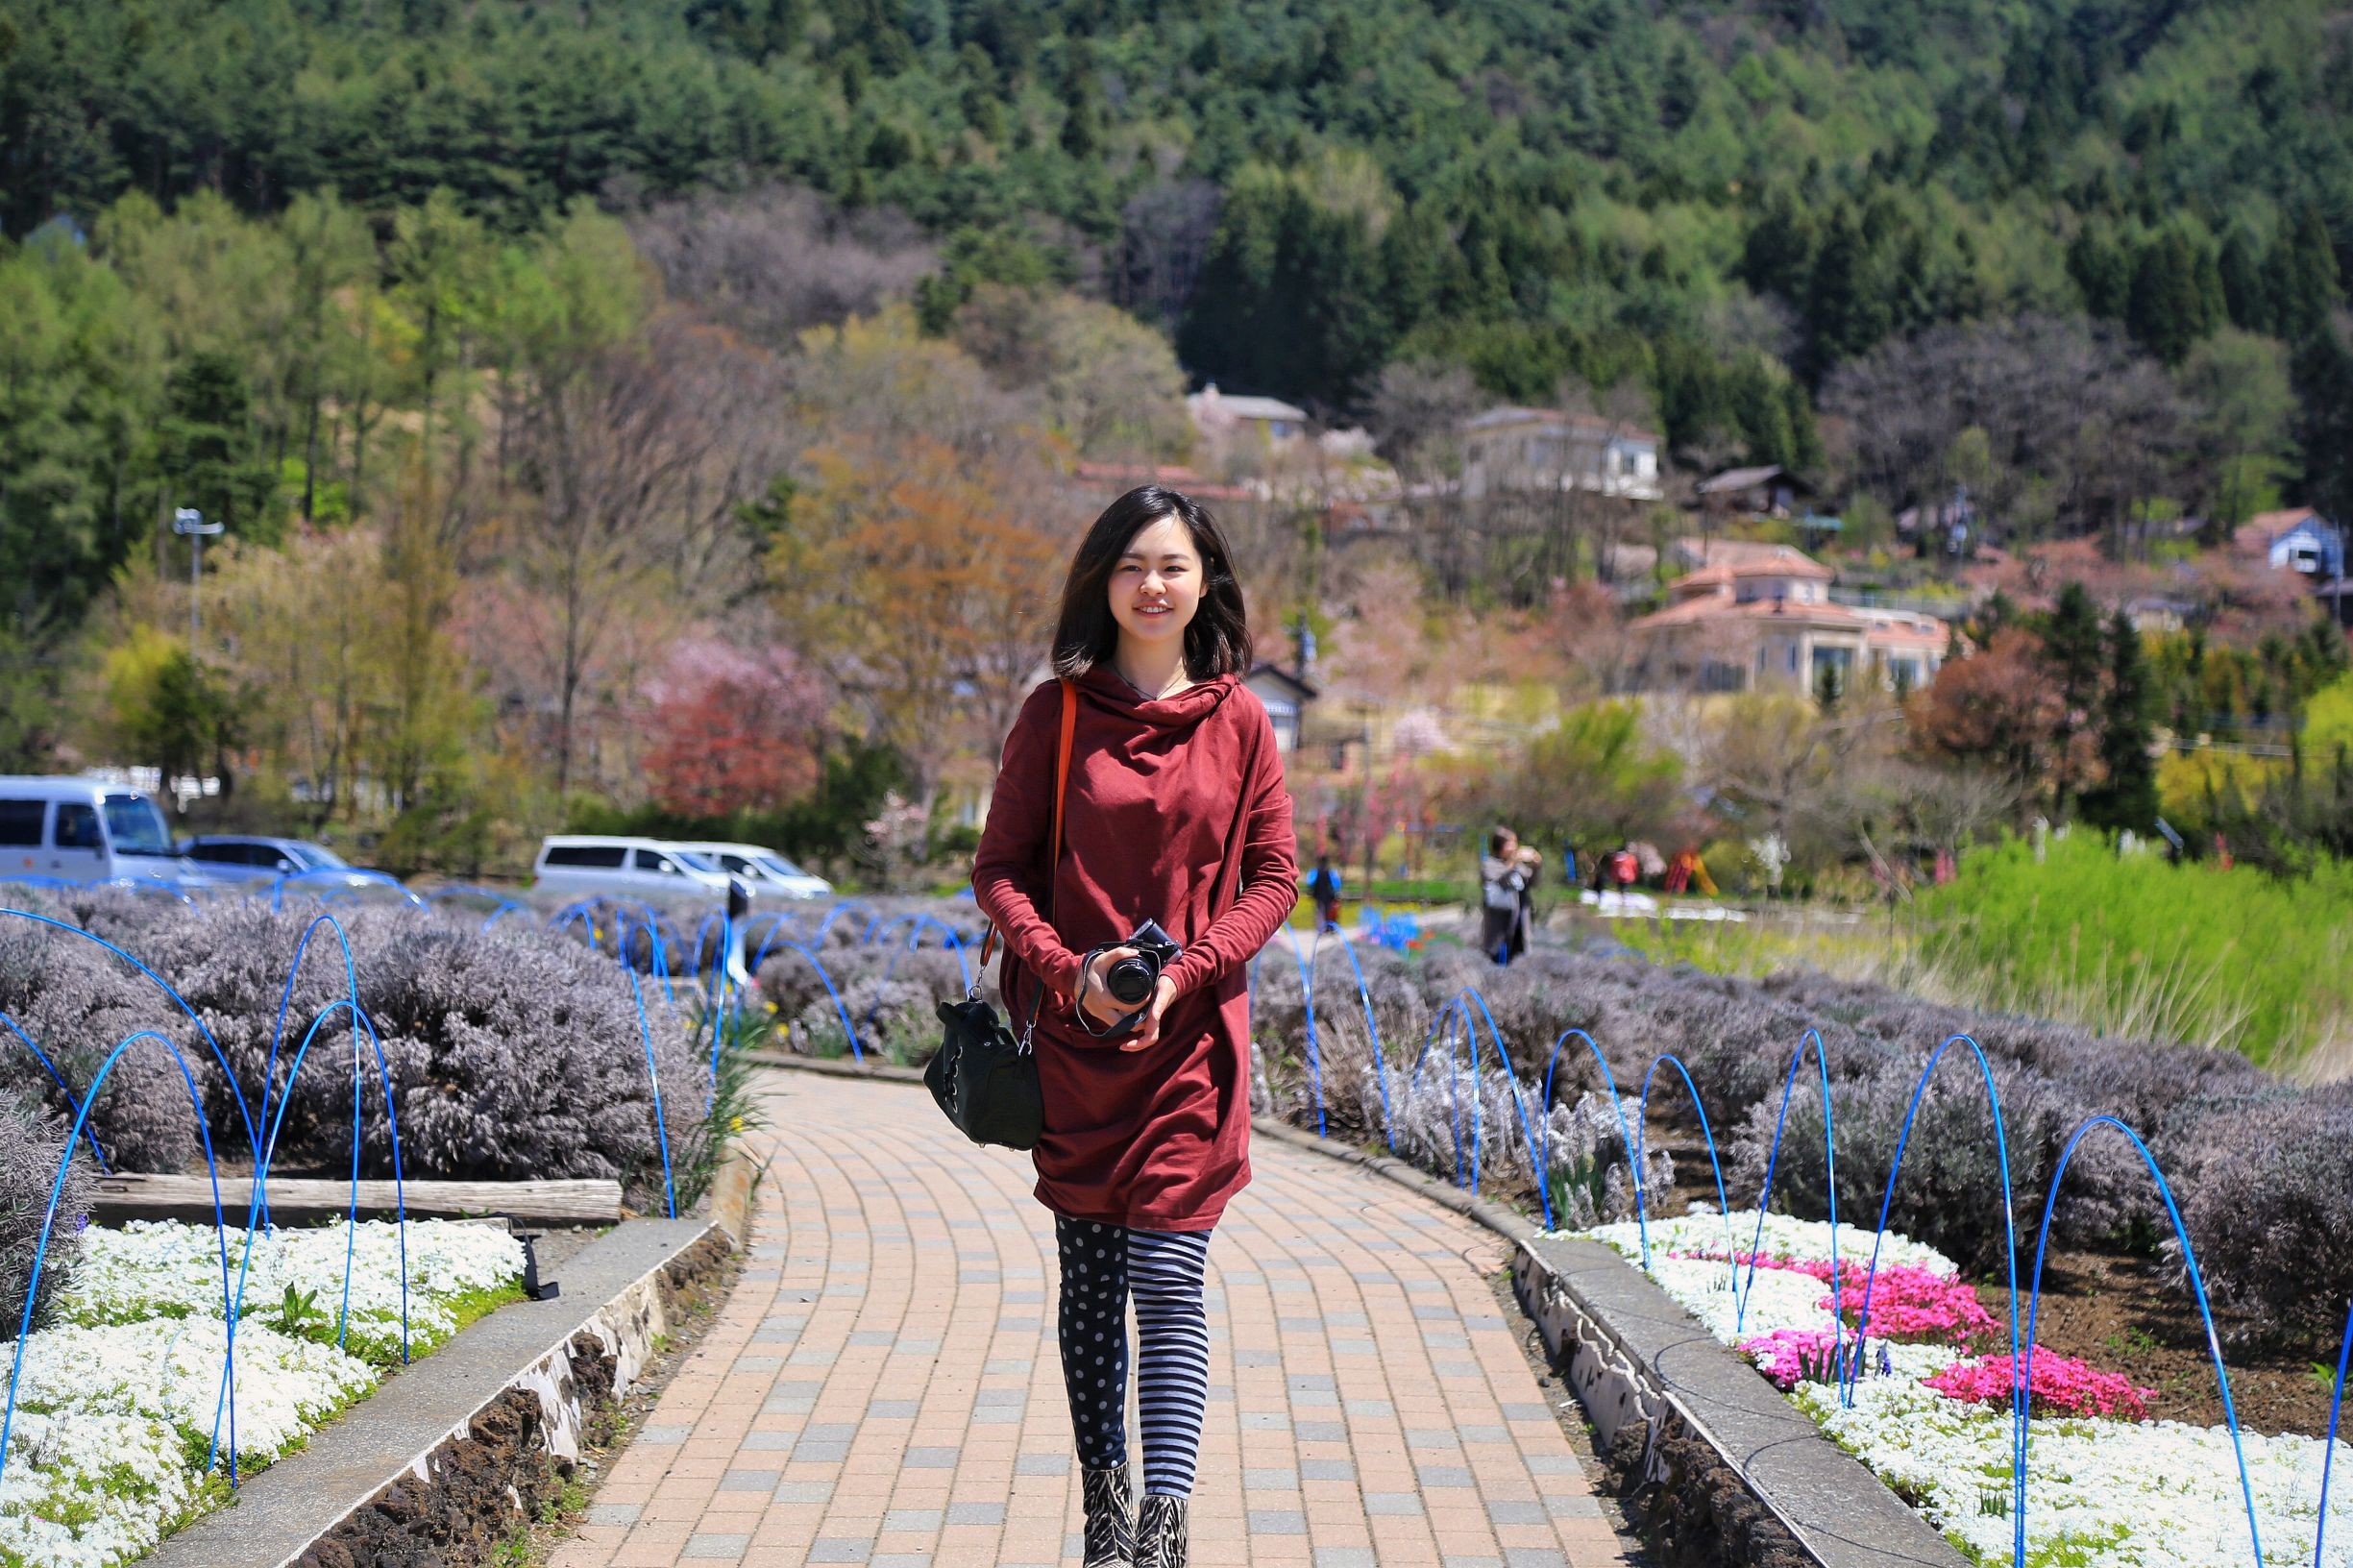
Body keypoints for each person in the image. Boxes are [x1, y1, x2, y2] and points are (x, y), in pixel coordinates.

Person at [971, 486, 1298, 1568]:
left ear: (1205, 582)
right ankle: (1104, 1516)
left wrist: (1189, 971)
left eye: (1172, 566)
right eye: (1130, 566)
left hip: (1193, 1047)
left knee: (1166, 1276)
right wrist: (1070, 975)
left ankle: (1162, 1530)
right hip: (1076, 1050)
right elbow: (1001, 872)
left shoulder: (1243, 720)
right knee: (1092, 1286)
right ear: (1100, 582)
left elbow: (1272, 876)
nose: (1151, 586)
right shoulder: (1053, 715)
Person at [1478, 826, 1540, 966]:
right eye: (1511, 843)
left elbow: (1532, 883)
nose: (1515, 847)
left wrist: (1537, 865)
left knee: (1517, 963)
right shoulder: (1490, 864)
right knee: (1496, 964)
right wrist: (1513, 862)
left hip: (1518, 926)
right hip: (1498, 928)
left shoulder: (1519, 867)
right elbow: (1498, 882)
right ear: (1500, 845)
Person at [1306, 853, 1343, 929]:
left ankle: (1321, 927)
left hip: (1318, 894)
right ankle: (1329, 926)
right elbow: (1337, 884)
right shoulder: (1331, 872)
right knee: (1329, 910)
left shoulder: (1315, 871)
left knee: (1319, 910)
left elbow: (1310, 882)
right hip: (1329, 895)